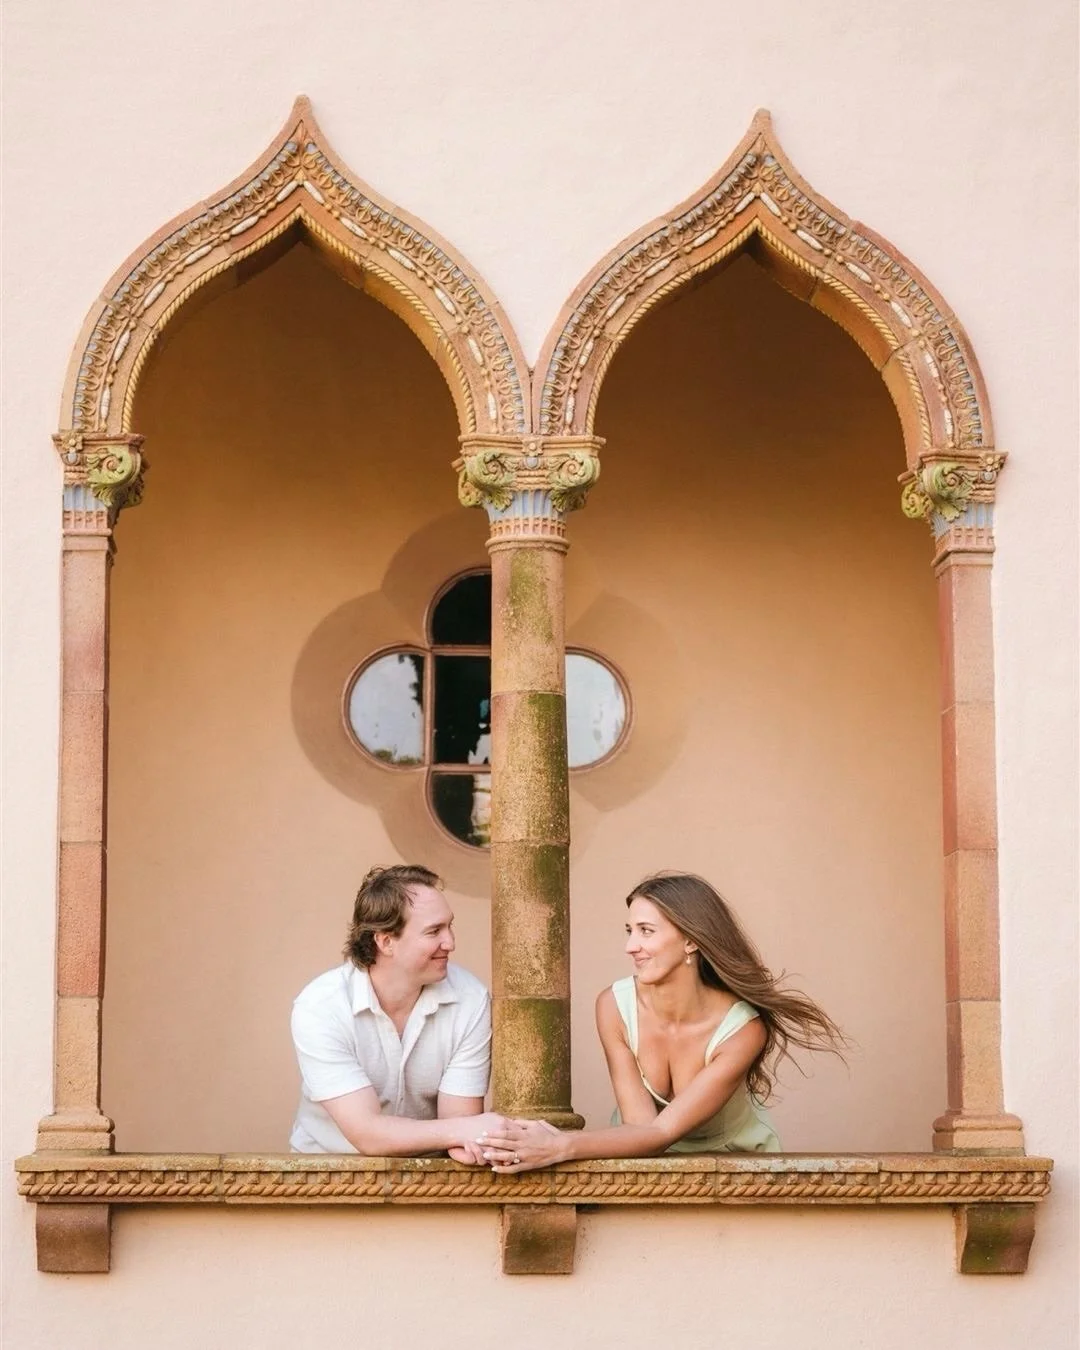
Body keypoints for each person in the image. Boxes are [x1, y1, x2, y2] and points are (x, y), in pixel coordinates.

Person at [478, 872, 845, 1171]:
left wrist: (559, 1146)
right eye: (629, 930)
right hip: (640, 1154)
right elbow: (643, 1132)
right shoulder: (614, 1006)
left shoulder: (742, 1030)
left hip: (738, 1164)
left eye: (646, 931)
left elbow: (664, 1130)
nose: (630, 946)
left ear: (689, 941)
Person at [290, 864, 506, 1160]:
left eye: (449, 926)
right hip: (326, 1179)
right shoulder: (320, 1006)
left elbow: (459, 1130)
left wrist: (476, 1138)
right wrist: (466, 1130)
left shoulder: (471, 999)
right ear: (386, 941)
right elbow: (368, 1134)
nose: (450, 943)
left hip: (429, 1180)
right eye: (434, 931)